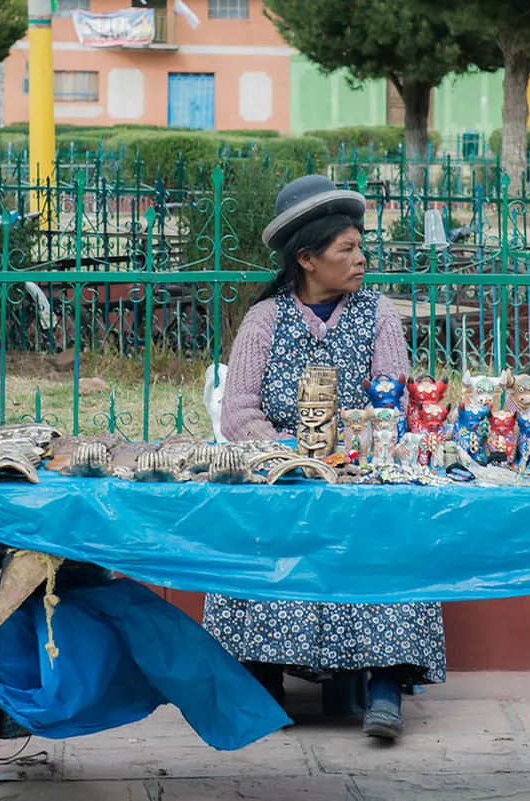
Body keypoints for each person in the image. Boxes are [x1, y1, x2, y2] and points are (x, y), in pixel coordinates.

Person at [206, 174, 445, 741]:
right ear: (308, 260)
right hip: (282, 471)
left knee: (391, 530)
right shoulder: (265, 320)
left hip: (360, 468)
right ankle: (263, 681)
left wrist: (347, 457)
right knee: (259, 533)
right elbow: (239, 412)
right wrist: (293, 456)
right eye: (349, 249)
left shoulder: (378, 314)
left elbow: (392, 395)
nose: (362, 258)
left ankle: (385, 685)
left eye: (360, 247)